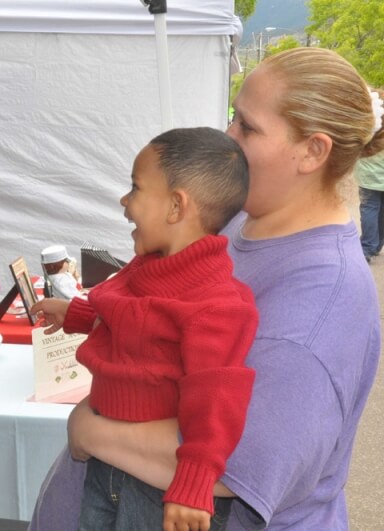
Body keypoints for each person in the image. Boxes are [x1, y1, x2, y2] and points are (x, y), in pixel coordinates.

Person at [28, 47, 383, 530]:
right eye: (233, 117)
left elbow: (240, 463)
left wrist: (90, 429)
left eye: (247, 126)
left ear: (313, 152)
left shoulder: (322, 298)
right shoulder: (234, 220)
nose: (227, 138)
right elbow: (150, 308)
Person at [31, 127, 259, 530]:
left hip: (158, 488)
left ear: (175, 206)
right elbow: (133, 319)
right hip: (109, 466)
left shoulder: (219, 306)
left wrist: (192, 484)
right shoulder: (148, 266)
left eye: (135, 188)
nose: (124, 201)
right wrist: (76, 315)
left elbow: (216, 402)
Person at [354, 88, 384, 263]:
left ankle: (367, 247)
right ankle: (377, 243)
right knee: (381, 212)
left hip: (368, 179)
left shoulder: (368, 128)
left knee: (370, 209)